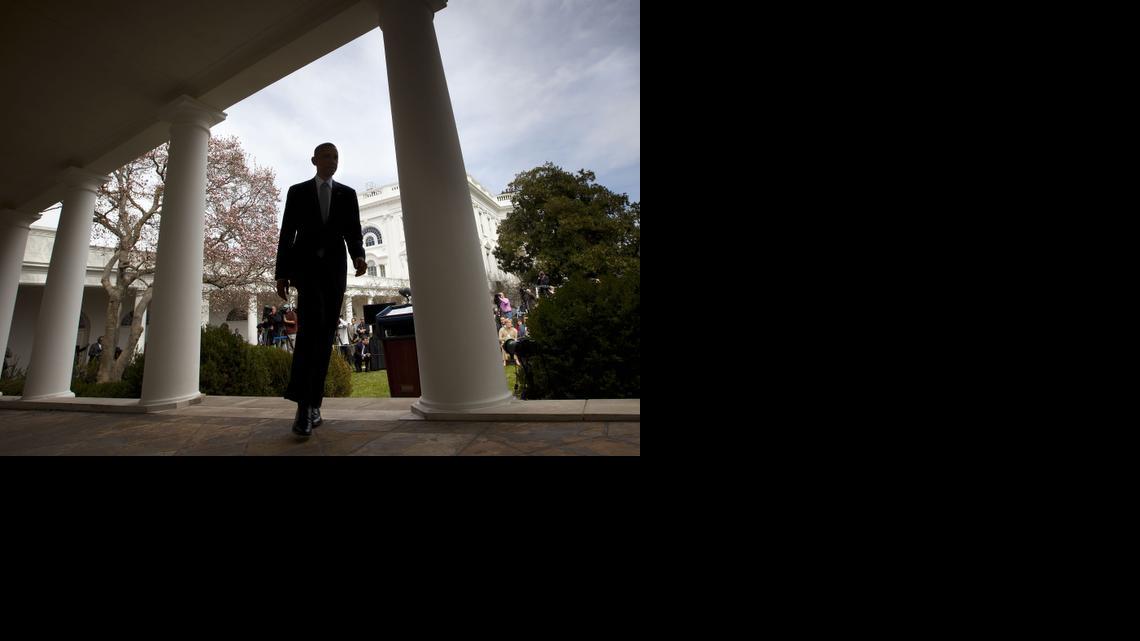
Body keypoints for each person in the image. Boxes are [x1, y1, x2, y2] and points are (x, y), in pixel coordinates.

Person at [275, 142, 367, 438]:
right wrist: (282, 274)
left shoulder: (347, 194)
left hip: (334, 273)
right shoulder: (297, 191)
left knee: (325, 337)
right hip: (307, 271)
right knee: (309, 335)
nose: (332, 160)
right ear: (314, 160)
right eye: (326, 155)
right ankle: (303, 407)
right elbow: (287, 232)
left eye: (336, 156)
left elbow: (354, 230)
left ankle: (314, 403)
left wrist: (359, 256)